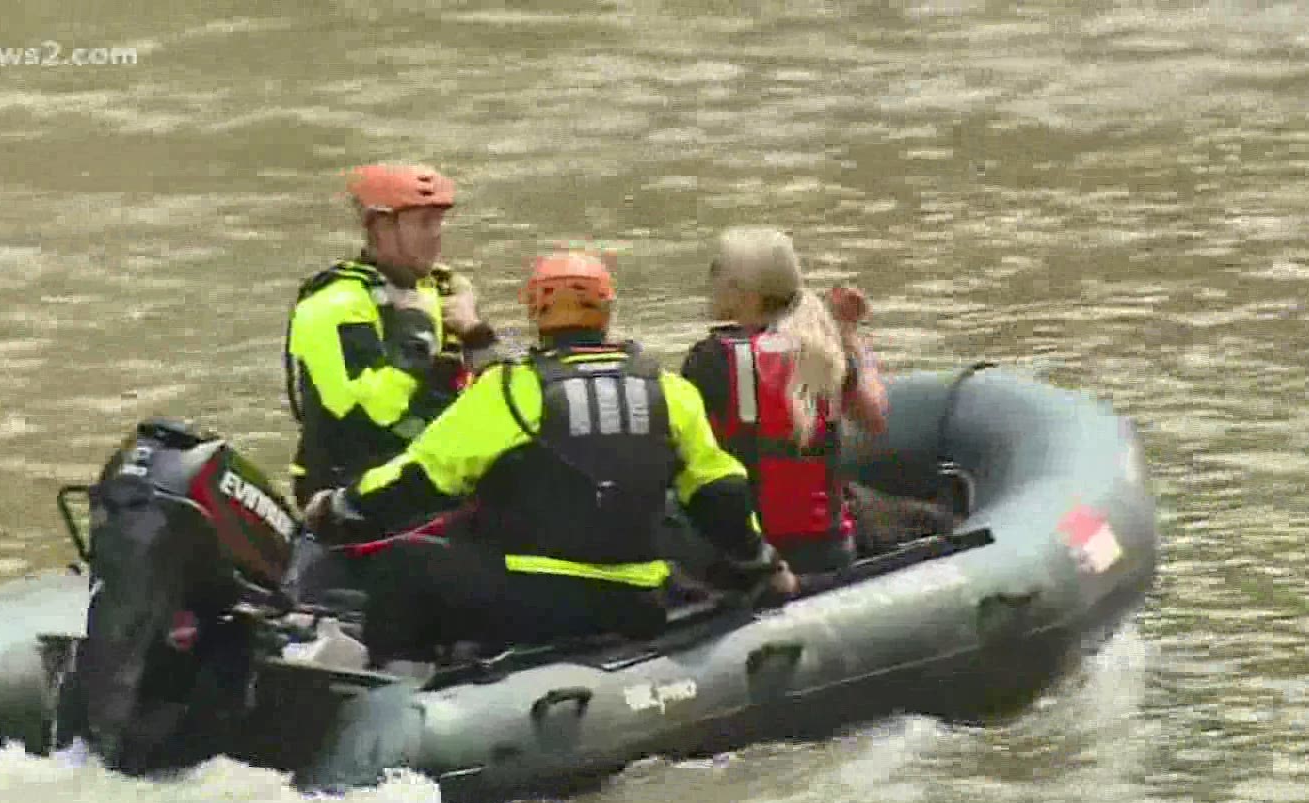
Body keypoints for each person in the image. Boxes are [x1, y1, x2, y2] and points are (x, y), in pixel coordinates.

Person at [301, 250, 794, 667]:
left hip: (539, 601)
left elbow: (421, 478)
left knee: (402, 566)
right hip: (638, 603)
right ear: (607, 311)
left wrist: (341, 506)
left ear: (536, 313)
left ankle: (405, 690)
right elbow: (720, 495)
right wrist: (765, 566)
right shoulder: (670, 391)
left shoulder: (511, 390)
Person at [278, 163, 495, 603]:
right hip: (356, 490)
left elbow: (488, 394)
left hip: (432, 479)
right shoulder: (334, 305)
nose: (435, 235)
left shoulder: (442, 291)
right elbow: (369, 417)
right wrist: (419, 337)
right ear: (379, 226)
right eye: (421, 223)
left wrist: (477, 336)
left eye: (438, 222)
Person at [681, 226, 937, 575]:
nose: (711, 286)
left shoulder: (710, 359)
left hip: (751, 558)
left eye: (719, 276)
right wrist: (848, 333)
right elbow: (874, 416)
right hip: (830, 549)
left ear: (747, 296)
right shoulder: (821, 350)